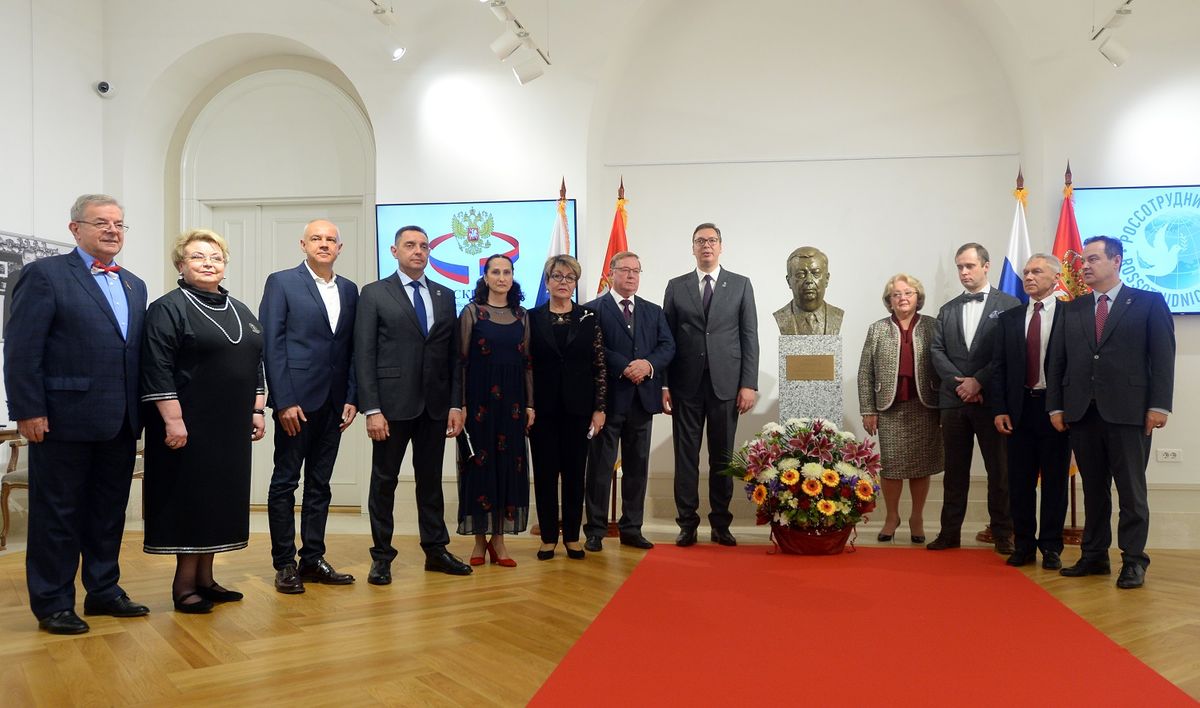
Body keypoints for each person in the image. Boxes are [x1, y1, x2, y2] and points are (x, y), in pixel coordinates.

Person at [3, 194, 149, 634]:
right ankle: (53, 603)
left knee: (108, 512)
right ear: (75, 229)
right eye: (101, 222)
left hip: (120, 420)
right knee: (58, 515)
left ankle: (104, 591)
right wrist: (28, 409)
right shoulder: (44, 276)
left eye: (120, 224)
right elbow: (23, 349)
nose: (112, 230)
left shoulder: (134, 284)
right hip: (63, 418)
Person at [141, 229, 266, 613]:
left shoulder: (241, 309)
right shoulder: (168, 308)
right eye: (198, 257)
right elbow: (156, 366)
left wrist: (257, 408)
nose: (208, 263)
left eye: (216, 257)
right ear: (181, 265)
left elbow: (255, 361)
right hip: (187, 426)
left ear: (224, 267)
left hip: (229, 428)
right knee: (191, 501)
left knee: (219, 502)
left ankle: (206, 580)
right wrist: (173, 420)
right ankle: (184, 587)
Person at [1047, 236, 1175, 589]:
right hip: (1081, 413)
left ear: (1116, 261)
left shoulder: (1148, 302)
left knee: (1132, 493)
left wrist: (1159, 405)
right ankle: (1094, 556)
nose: (1085, 266)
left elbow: (1162, 358)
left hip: (1131, 413)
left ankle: (1133, 561)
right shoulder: (1070, 308)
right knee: (1094, 490)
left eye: (1093, 259)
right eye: (1083, 261)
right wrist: (1056, 405)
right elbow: (1057, 362)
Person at [354, 225, 471, 584]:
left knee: (430, 482)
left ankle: (435, 551)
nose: (418, 251)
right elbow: (364, 353)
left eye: (423, 246)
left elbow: (453, 357)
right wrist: (371, 408)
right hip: (390, 407)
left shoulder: (444, 293)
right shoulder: (374, 293)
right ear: (394, 251)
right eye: (410, 245)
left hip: (435, 407)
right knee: (384, 482)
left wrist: (456, 403)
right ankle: (382, 557)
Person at [259, 219, 359, 594]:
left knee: (321, 485)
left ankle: (312, 557)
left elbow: (350, 350)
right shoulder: (282, 282)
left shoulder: (349, 290)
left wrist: (352, 396)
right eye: (316, 238)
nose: (323, 244)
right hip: (295, 403)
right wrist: (283, 400)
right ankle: (285, 563)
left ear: (339, 248)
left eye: (330, 239)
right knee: (285, 483)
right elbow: (273, 344)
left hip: (334, 404)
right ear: (303, 244)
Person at [663, 223, 759, 547]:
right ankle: (687, 524)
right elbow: (667, 340)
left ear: (721, 246)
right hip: (685, 386)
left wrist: (748, 384)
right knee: (686, 458)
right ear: (692, 248)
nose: (706, 246)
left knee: (722, 459)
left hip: (726, 386)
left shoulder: (741, 285)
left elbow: (749, 337)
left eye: (712, 240)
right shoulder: (676, 287)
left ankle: (721, 523)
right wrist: (664, 386)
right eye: (700, 241)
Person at [928, 242, 1020, 553]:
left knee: (1000, 471)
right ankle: (949, 533)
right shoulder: (948, 308)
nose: (964, 272)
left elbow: (1006, 354)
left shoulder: (1009, 304)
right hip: (953, 402)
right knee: (954, 471)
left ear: (985, 266)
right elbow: (936, 351)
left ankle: (1003, 533)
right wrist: (962, 385)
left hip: (992, 402)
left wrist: (978, 381)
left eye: (969, 266)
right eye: (959, 267)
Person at [583, 251, 676, 552]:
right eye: (625, 270)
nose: (632, 276)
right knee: (600, 467)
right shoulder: (593, 310)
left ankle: (631, 528)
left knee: (637, 468)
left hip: (642, 401)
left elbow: (667, 346)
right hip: (606, 402)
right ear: (611, 273)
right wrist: (624, 365)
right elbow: (592, 348)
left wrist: (647, 365)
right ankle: (595, 530)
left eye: (636, 270)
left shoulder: (653, 310)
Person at [989, 254, 1071, 569]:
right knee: (1019, 483)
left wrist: (1066, 407)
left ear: (1056, 277)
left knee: (1054, 483)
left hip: (1056, 411)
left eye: (1037, 271)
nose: (1029, 276)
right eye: (1026, 272)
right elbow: (999, 368)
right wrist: (999, 409)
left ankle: (1051, 547)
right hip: (1019, 409)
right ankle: (1023, 545)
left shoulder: (1069, 314)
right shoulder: (1010, 318)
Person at [455, 253, 534, 567]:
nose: (502, 277)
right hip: (478, 404)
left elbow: (528, 364)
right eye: (496, 272)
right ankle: (478, 540)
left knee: (508, 467)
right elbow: (461, 363)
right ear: (485, 277)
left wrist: (530, 404)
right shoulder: (472, 312)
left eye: (507, 272)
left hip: (513, 403)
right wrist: (459, 404)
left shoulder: (522, 315)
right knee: (479, 467)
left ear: (512, 276)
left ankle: (499, 541)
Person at [529, 255, 607, 560]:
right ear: (547, 282)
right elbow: (527, 365)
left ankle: (573, 537)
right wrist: (528, 404)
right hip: (543, 410)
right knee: (546, 474)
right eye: (558, 277)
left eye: (569, 278)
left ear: (575, 283)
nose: (564, 283)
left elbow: (599, 365)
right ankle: (548, 537)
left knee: (576, 474)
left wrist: (600, 408)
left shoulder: (589, 316)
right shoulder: (531, 317)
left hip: (579, 408)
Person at [857, 274, 942, 544]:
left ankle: (917, 517)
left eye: (908, 293)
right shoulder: (877, 329)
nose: (903, 298)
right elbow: (864, 373)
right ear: (889, 300)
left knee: (921, 465)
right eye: (896, 294)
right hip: (889, 408)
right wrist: (868, 409)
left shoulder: (933, 326)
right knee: (892, 467)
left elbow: (944, 366)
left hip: (926, 405)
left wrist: (945, 408)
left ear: (918, 297)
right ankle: (891, 517)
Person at [773, 246, 845, 335]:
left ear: (827, 279)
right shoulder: (782, 317)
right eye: (801, 275)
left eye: (816, 273)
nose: (809, 280)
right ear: (789, 282)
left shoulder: (836, 316)